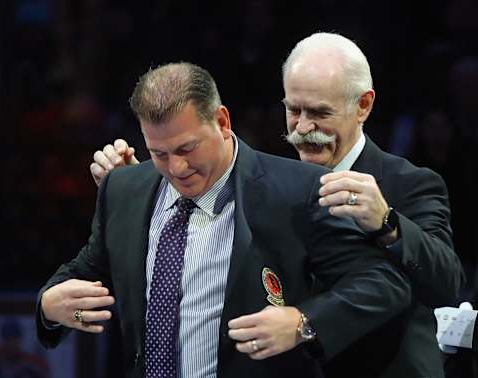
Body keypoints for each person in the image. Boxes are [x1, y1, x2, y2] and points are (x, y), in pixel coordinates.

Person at [91, 33, 465, 378]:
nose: (302, 127)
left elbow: (447, 284)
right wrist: (144, 192)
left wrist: (388, 223)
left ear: (363, 105)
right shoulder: (265, 182)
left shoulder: (409, 183)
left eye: (319, 113)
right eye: (294, 110)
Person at [37, 62, 412, 378]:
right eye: (159, 153)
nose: (175, 168)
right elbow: (84, 271)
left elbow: (384, 283)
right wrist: (48, 307)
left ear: (221, 121)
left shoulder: (298, 189)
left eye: (186, 148)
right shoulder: (124, 188)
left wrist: (302, 323)